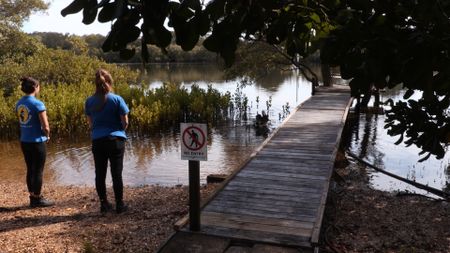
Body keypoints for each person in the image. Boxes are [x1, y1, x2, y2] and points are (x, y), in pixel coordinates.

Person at [85, 69, 129, 213]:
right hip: (115, 140)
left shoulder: (89, 101)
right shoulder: (117, 99)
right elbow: (125, 122)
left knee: (100, 173)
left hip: (98, 141)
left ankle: (104, 204)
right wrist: (118, 130)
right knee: (116, 174)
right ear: (109, 82)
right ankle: (119, 205)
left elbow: (90, 124)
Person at [16, 77, 54, 207]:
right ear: (35, 87)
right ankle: (37, 199)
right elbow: (46, 126)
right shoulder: (38, 104)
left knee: (30, 169)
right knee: (38, 170)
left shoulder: (19, 103)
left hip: (24, 141)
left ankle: (32, 196)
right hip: (37, 142)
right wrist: (47, 136)